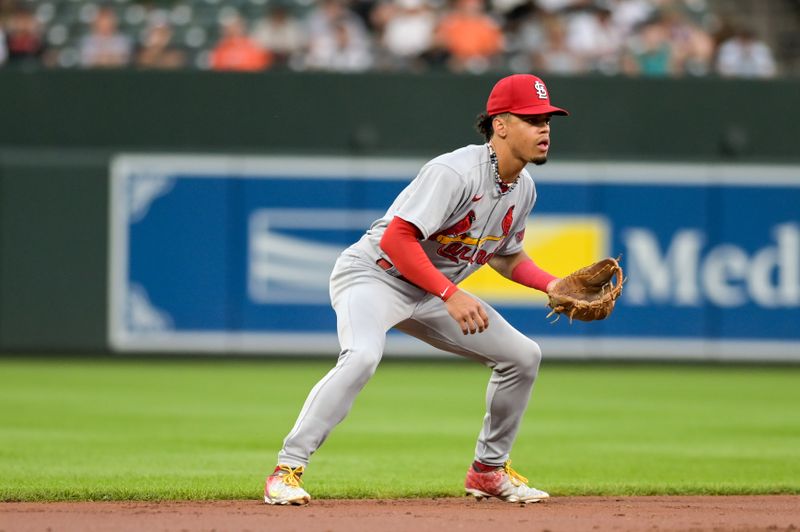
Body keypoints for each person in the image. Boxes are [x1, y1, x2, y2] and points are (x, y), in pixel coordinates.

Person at [265, 73, 569, 506]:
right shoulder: (455, 171)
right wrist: (451, 294)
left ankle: (488, 471)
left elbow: (507, 256)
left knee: (523, 357)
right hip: (374, 275)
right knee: (362, 357)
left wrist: (551, 284)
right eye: (532, 119)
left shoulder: (524, 188)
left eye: (548, 120)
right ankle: (286, 471)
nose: (544, 129)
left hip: (429, 291)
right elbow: (396, 239)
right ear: (500, 124)